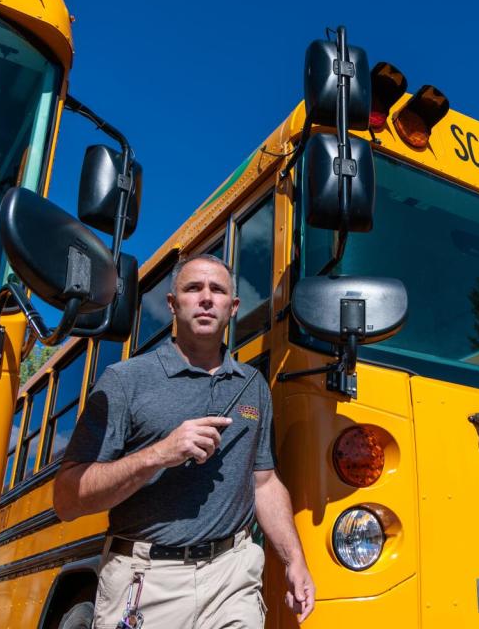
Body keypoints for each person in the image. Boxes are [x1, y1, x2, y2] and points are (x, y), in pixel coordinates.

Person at [54, 254, 315, 628]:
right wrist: (159, 454)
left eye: (218, 290)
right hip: (146, 579)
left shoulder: (252, 386)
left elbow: (265, 482)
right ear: (173, 304)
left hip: (231, 575)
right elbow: (66, 500)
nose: (206, 298)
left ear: (232, 306)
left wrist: (294, 561)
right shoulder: (126, 380)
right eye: (193, 289)